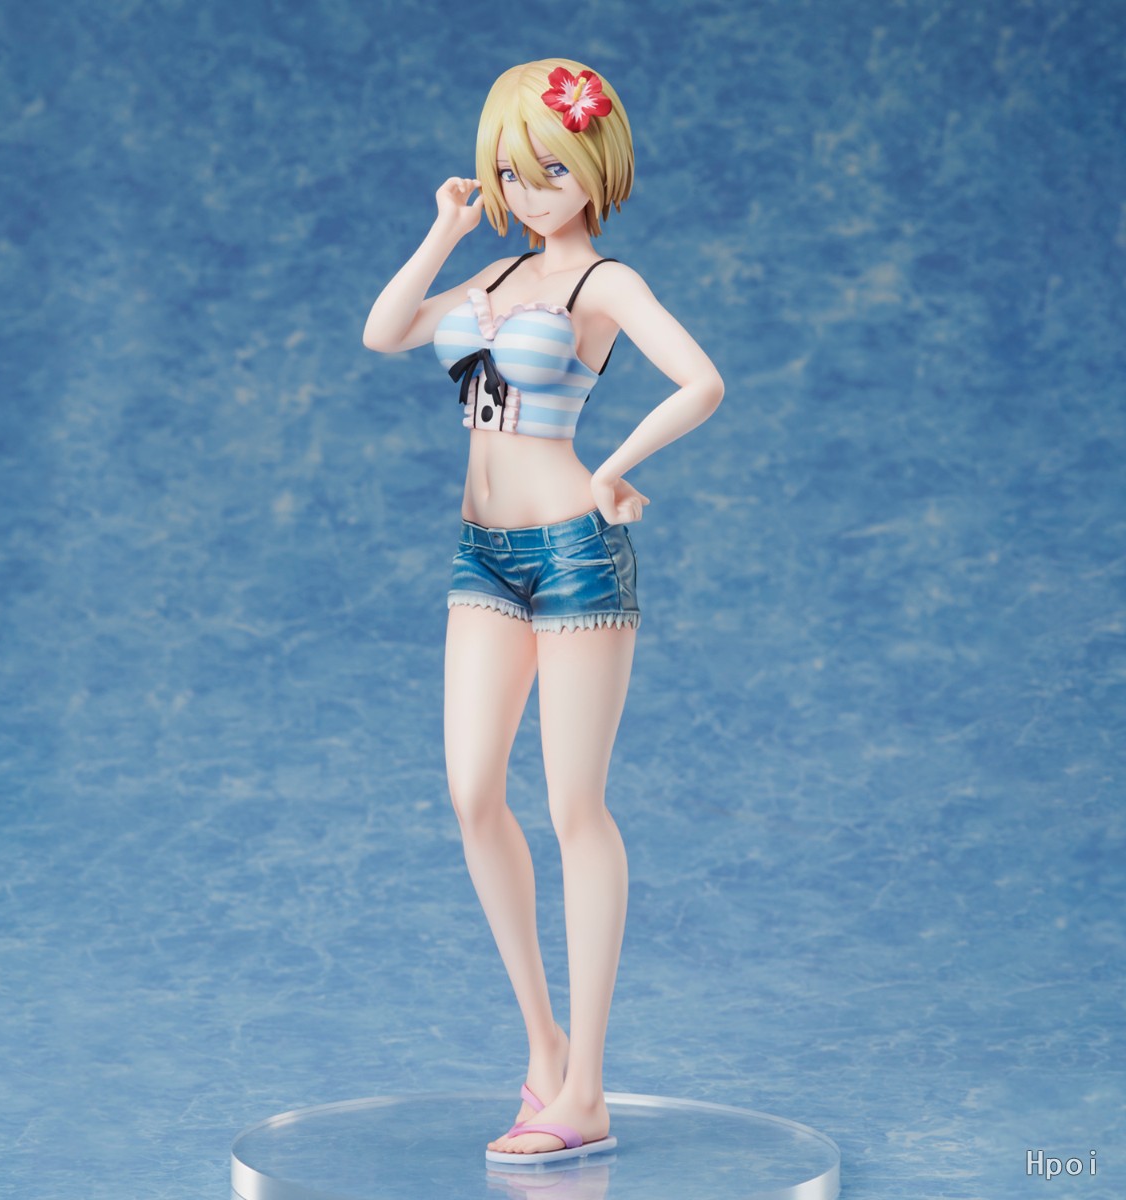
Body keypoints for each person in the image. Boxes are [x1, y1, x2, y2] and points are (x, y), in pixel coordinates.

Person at [363, 58, 723, 1163]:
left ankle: (588, 1090)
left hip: (573, 553)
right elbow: (385, 330)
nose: (530, 190)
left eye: (552, 170)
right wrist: (445, 228)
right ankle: (543, 1051)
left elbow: (701, 380)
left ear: (597, 169)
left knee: (575, 808)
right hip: (482, 556)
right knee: (473, 794)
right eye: (514, 172)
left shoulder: (603, 284)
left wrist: (612, 468)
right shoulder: (495, 273)